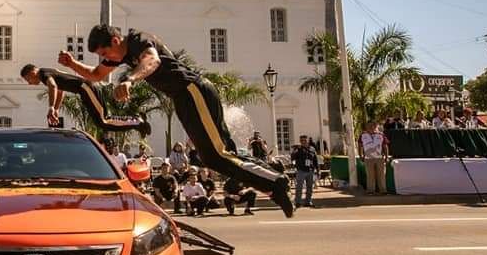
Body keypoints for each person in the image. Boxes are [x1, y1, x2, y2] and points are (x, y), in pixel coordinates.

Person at [60, 25, 294, 217]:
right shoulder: (122, 54)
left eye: (104, 54)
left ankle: (276, 182)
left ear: (114, 41)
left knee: (217, 155)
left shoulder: (139, 41)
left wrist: (130, 79)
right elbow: (95, 75)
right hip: (183, 98)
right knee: (215, 156)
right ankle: (273, 186)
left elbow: (152, 61)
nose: (105, 60)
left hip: (194, 90)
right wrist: (72, 65)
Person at [20, 64, 152, 134]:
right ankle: (136, 122)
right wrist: (56, 109)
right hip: (84, 90)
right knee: (103, 122)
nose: (29, 83)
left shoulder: (43, 73)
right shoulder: (46, 73)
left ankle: (137, 122)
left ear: (32, 72)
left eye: (28, 79)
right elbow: (60, 91)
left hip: (86, 88)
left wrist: (50, 108)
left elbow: (53, 86)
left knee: (104, 120)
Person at [359, 121, 389, 195]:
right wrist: (361, 155)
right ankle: (370, 191)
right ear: (366, 126)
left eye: (373, 125)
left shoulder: (381, 135)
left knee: (381, 175)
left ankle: (383, 190)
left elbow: (385, 146)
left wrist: (386, 156)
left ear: (376, 126)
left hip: (379, 158)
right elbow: (360, 146)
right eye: (369, 126)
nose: (371, 127)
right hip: (368, 158)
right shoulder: (363, 135)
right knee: (370, 175)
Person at [290, 134, 318, 208]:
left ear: (308, 141)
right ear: (300, 141)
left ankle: (308, 201)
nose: (303, 142)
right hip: (301, 170)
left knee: (310, 187)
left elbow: (315, 160)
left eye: (305, 140)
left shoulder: (312, 149)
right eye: (302, 141)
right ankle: (298, 202)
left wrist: (318, 170)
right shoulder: (298, 149)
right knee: (299, 187)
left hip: (310, 170)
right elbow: (292, 157)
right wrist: (296, 149)